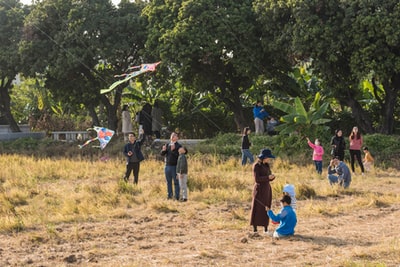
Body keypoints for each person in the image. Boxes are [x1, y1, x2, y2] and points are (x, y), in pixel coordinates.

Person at [250, 148, 276, 233]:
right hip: (259, 189)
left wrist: (272, 177)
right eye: (268, 157)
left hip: (267, 189)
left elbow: (268, 176)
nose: (269, 159)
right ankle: (255, 228)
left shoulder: (267, 165)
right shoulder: (256, 166)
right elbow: (257, 179)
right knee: (257, 208)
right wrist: (267, 178)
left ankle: (265, 228)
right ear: (264, 157)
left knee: (266, 207)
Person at [160, 132, 182, 200]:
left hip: (175, 166)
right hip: (167, 166)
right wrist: (163, 150)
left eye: (174, 135)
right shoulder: (167, 144)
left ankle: (177, 196)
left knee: (176, 182)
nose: (172, 136)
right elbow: (162, 154)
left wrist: (173, 150)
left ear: (177, 138)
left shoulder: (179, 146)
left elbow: (179, 156)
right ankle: (169, 196)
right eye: (172, 135)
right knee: (168, 182)